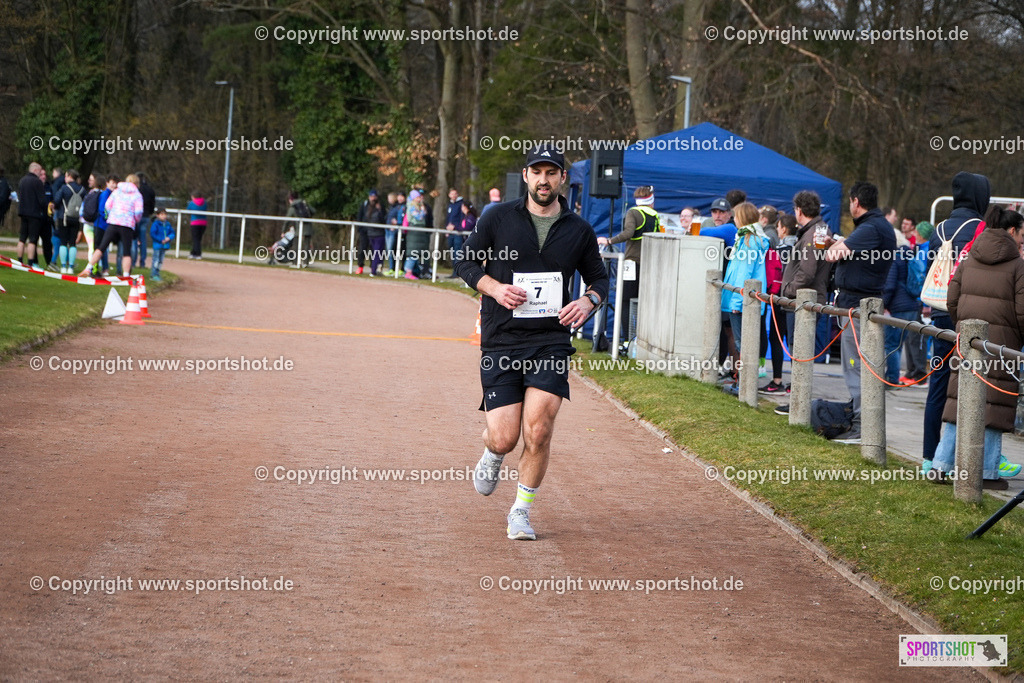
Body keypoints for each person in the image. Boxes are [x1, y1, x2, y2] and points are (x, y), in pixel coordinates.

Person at [455, 144, 609, 541]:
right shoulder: (497, 217)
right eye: (537, 172)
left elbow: (599, 279)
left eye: (551, 173)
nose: (544, 180)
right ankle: (492, 451)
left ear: (562, 179)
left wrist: (587, 301)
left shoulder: (578, 229)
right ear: (525, 176)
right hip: (502, 340)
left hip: (550, 341)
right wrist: (494, 288)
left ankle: (520, 512)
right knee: (505, 437)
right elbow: (464, 262)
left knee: (538, 430)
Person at [931, 205, 1024, 489]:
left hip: (967, 342)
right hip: (1002, 346)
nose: (1022, 241)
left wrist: (963, 326)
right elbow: (1022, 311)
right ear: (1012, 231)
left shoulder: (969, 256)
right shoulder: (1018, 265)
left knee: (957, 401)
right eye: (1022, 235)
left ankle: (941, 465)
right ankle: (986, 472)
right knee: (996, 405)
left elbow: (951, 298)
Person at [922, 173, 990, 472]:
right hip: (969, 316)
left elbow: (930, 266)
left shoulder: (938, 229)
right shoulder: (981, 228)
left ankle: (929, 455)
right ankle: (966, 457)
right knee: (972, 385)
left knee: (938, 383)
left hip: (939, 313)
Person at [823, 181, 897, 444]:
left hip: (858, 306)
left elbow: (833, 256)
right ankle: (859, 418)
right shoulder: (874, 226)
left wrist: (835, 245)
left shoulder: (870, 227)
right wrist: (840, 242)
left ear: (856, 201)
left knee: (855, 366)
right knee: (857, 365)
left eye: (850, 201)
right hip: (859, 303)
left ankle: (861, 425)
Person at [597, 186, 662, 345]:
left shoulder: (634, 212)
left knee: (625, 301)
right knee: (643, 303)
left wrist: (609, 241)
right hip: (649, 264)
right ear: (651, 200)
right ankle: (643, 340)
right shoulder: (655, 216)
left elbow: (628, 233)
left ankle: (628, 341)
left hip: (632, 263)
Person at [720, 202, 769, 365]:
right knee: (743, 343)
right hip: (744, 297)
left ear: (742, 218)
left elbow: (744, 272)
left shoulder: (749, 241)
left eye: (736, 216)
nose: (734, 219)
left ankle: (745, 379)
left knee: (742, 344)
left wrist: (736, 301)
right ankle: (743, 377)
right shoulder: (748, 238)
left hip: (742, 300)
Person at [80, 173, 143, 278]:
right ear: (137, 184)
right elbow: (138, 212)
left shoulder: (117, 191)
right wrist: (135, 220)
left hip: (113, 222)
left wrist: (112, 215)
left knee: (101, 247)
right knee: (126, 252)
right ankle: (126, 275)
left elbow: (108, 206)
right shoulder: (137, 195)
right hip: (127, 224)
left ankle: (88, 268)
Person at [881, 234, 921, 385]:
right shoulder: (909, 256)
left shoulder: (895, 259)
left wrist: (883, 305)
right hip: (912, 306)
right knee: (898, 344)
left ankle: (892, 379)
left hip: (898, 308)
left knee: (892, 345)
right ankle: (893, 376)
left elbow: (890, 286)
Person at [16, 162, 48, 268]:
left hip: (22, 212)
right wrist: (45, 210)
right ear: (35, 170)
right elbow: (42, 200)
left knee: (22, 238)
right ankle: (30, 262)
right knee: (33, 239)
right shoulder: (37, 182)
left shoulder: (22, 180)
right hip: (34, 214)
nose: (40, 173)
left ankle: (19, 261)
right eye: (39, 171)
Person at [55, 169, 85, 274]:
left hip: (64, 217)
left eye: (66, 176)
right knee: (72, 243)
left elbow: (56, 200)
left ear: (69, 176)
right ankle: (71, 267)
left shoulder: (64, 188)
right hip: (76, 219)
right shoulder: (82, 189)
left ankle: (63, 266)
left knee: (63, 242)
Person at [402, 190, 432, 279]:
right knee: (412, 254)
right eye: (418, 197)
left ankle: (417, 272)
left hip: (419, 235)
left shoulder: (419, 206)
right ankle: (408, 272)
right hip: (414, 234)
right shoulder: (411, 207)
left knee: (417, 254)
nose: (420, 199)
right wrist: (422, 210)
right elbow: (419, 217)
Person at [93, 175, 118, 276]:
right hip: (100, 225)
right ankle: (94, 270)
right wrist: (109, 219)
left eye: (115, 183)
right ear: (107, 183)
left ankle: (104, 268)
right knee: (98, 247)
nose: (114, 185)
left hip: (106, 226)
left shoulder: (113, 195)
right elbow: (102, 209)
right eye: (112, 183)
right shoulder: (105, 194)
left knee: (103, 247)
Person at [79, 173, 104, 272]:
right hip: (97, 224)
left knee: (92, 247)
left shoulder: (90, 194)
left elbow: (82, 209)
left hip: (87, 223)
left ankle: (92, 267)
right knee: (97, 247)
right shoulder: (103, 194)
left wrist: (83, 219)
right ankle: (93, 267)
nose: (89, 181)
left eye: (91, 179)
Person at [355, 189, 381, 274]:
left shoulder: (379, 205)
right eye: (371, 196)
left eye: (374, 196)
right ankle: (360, 266)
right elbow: (360, 216)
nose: (373, 198)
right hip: (365, 231)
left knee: (373, 251)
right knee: (362, 249)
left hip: (374, 232)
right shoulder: (364, 204)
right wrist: (360, 228)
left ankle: (373, 268)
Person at [134, 172, 156, 270]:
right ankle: (142, 262)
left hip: (136, 216)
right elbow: (152, 204)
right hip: (146, 216)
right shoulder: (150, 190)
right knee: (143, 239)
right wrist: (149, 213)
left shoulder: (136, 190)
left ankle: (133, 261)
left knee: (134, 239)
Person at [149, 208, 175, 281]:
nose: (164, 216)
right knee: (156, 260)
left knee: (160, 261)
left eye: (165, 214)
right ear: (157, 215)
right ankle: (153, 274)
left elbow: (172, 233)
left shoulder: (167, 224)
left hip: (164, 246)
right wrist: (161, 240)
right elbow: (153, 234)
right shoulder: (155, 224)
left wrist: (169, 238)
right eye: (162, 214)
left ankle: (157, 273)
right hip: (157, 245)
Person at [384, 191, 406, 275]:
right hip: (390, 230)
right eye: (399, 196)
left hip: (397, 231)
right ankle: (392, 268)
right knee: (391, 250)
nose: (400, 198)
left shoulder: (403, 207)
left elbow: (403, 219)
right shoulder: (393, 207)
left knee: (395, 250)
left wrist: (396, 224)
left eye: (402, 196)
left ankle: (399, 268)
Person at [47, 167, 64, 270]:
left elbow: (55, 195)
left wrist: (54, 205)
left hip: (58, 211)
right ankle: (63, 260)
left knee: (56, 234)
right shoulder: (62, 182)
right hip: (62, 211)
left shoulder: (57, 183)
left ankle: (53, 260)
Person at [187, 191, 207, 259]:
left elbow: (188, 209)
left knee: (196, 239)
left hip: (195, 223)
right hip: (203, 223)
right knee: (198, 239)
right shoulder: (205, 202)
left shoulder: (192, 203)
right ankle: (193, 253)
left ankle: (198, 254)